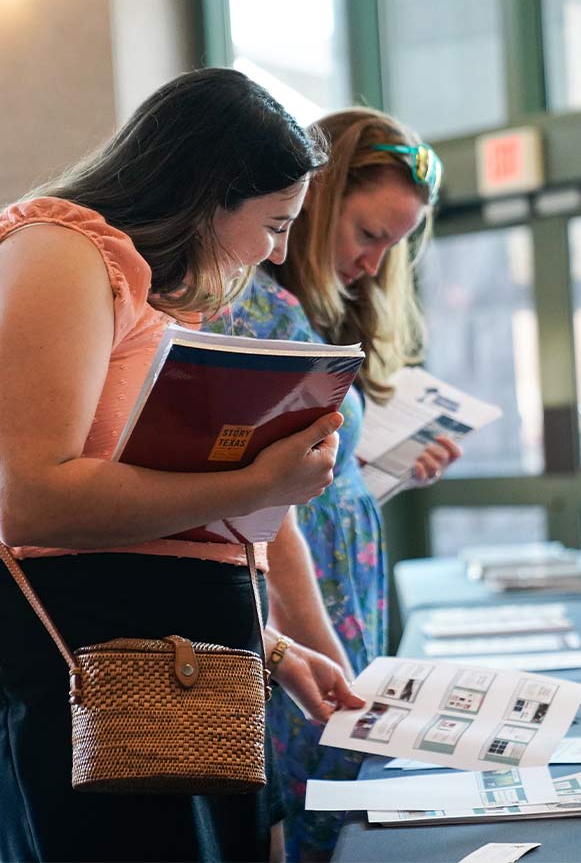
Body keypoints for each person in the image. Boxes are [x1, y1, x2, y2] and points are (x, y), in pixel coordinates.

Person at [0, 69, 366, 863]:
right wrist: (263, 482)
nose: (278, 252)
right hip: (94, 658)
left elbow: (163, 512)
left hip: (179, 651)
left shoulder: (158, 286)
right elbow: (32, 501)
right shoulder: (61, 249)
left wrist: (269, 644)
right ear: (208, 192)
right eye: (273, 223)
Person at [206, 107, 462, 861]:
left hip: (328, 599)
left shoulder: (309, 315)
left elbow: (310, 482)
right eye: (369, 235)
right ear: (314, 204)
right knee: (325, 805)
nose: (377, 264)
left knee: (341, 805)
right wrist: (324, 656)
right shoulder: (259, 313)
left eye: (395, 247)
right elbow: (271, 509)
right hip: (302, 606)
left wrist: (374, 473)